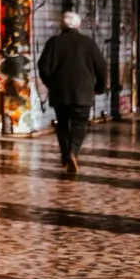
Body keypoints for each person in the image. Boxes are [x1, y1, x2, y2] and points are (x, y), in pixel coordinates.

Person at [37, 11, 110, 175]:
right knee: (79, 125)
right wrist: (100, 87)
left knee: (62, 124)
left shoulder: (53, 43)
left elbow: (43, 67)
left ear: (62, 25)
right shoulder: (88, 43)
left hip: (60, 92)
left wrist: (51, 83)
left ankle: (65, 156)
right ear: (78, 25)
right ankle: (73, 152)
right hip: (83, 92)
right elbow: (102, 67)